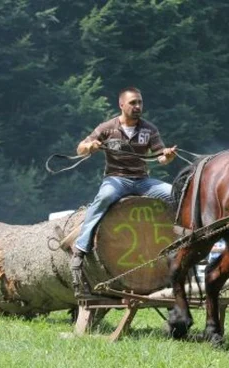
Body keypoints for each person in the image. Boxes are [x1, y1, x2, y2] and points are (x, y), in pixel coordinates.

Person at [70, 87, 177, 297]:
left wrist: (168, 156)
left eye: (140, 103)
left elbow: (161, 159)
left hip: (143, 180)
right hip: (117, 179)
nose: (137, 107)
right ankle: (80, 248)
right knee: (105, 197)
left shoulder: (149, 129)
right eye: (133, 103)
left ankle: (180, 242)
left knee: (174, 193)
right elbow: (80, 149)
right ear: (121, 105)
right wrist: (90, 146)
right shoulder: (108, 127)